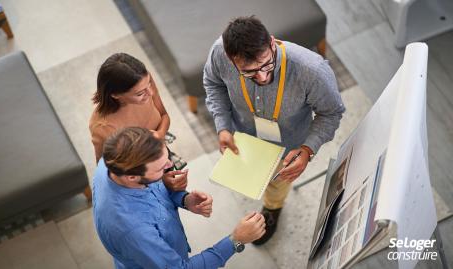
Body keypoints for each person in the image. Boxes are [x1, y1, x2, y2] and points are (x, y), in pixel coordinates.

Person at [203, 16, 345, 245]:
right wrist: (223, 126)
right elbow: (213, 83)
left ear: (271, 43)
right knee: (253, 174)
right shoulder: (219, 52)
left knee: (277, 182)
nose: (262, 76)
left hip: (289, 144)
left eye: (266, 64)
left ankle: (273, 207)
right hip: (244, 135)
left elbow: (332, 113)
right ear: (231, 59)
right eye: (248, 72)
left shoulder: (312, 70)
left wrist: (308, 149)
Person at [93, 127, 266, 269]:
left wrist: (183, 199)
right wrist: (236, 240)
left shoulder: (113, 160)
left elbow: (152, 187)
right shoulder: (134, 230)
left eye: (166, 156)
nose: (169, 165)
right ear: (132, 177)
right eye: (161, 168)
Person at [89, 53, 186, 191]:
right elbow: (108, 172)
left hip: (160, 157)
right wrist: (159, 181)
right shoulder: (104, 128)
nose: (150, 93)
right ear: (116, 95)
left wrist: (159, 135)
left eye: (149, 85)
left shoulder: (143, 82)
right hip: (140, 178)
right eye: (140, 93)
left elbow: (164, 115)